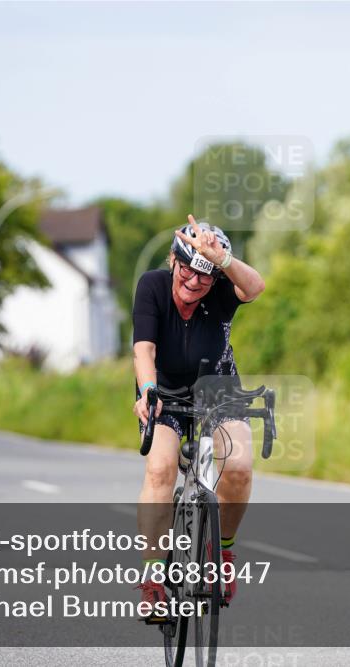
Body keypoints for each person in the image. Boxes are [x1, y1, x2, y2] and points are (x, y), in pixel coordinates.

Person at [132, 215, 265, 617]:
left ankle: (223, 556)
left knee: (239, 466)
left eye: (204, 276)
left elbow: (255, 286)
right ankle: (154, 579)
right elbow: (144, 351)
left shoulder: (222, 287)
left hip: (217, 387)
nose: (194, 281)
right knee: (160, 469)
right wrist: (147, 391)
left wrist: (220, 259)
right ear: (173, 261)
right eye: (187, 269)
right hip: (164, 390)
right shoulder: (152, 286)